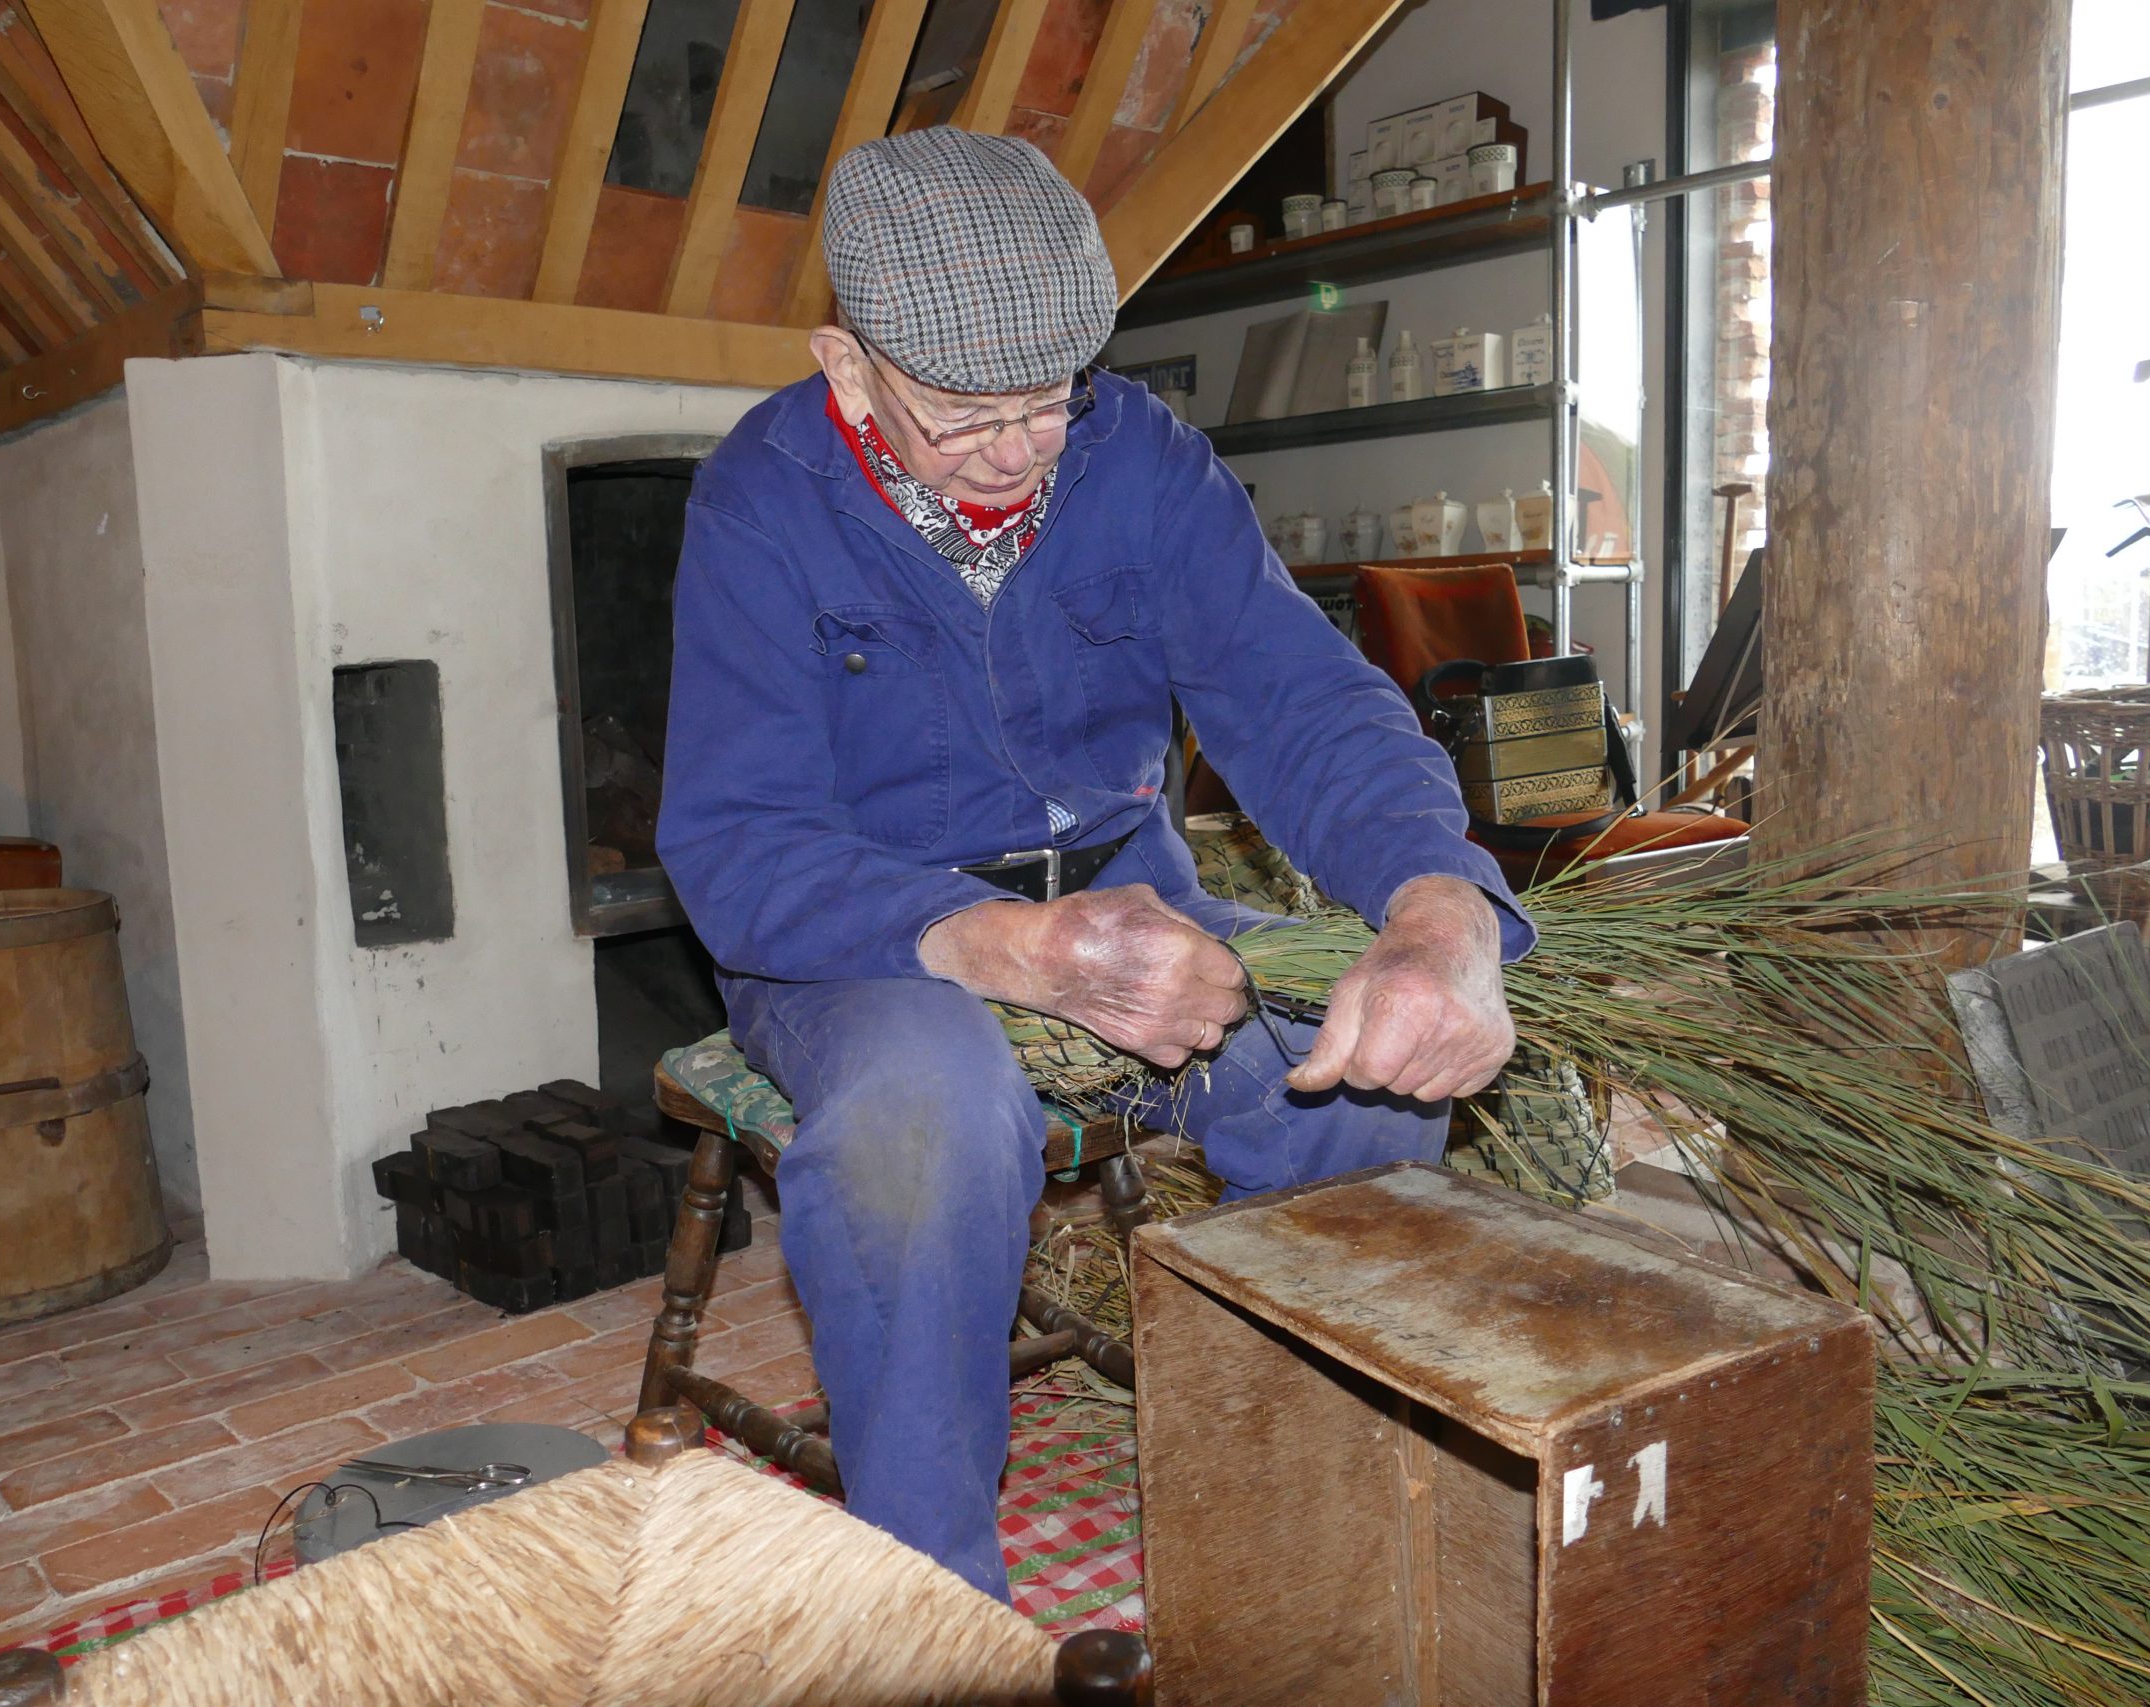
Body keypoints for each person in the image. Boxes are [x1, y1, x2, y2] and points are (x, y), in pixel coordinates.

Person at [657, 128, 1534, 1599]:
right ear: (848, 367)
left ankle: (1296, 1530)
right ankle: (937, 1614)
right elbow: (739, 844)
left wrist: (1440, 907)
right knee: (922, 1128)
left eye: (1047, 403)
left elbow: (1305, 704)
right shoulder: (763, 499)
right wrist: (1013, 947)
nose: (1016, 455)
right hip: (872, 939)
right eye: (964, 417)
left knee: (1366, 1077)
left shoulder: (1142, 458)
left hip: (1134, 897)